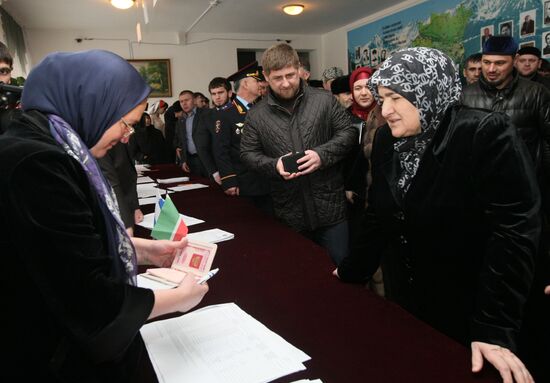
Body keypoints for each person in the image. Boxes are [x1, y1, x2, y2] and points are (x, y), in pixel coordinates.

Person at [335, 47, 542, 383]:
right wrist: (352, 270)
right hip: (410, 299)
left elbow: (514, 233)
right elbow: (381, 213)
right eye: (382, 97)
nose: (385, 110)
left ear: (428, 91)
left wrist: (493, 327)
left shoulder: (485, 133)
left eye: (396, 98)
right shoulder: (388, 138)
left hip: (471, 306)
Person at [0, 50, 209, 381]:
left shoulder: (56, 145)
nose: (128, 137)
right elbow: (87, 299)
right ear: (92, 105)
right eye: (126, 124)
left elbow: (65, 244)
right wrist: (176, 300)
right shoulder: (38, 165)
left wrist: (142, 249)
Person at [240, 43, 357, 265]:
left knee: (341, 270)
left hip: (331, 209)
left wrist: (321, 155)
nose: (285, 83)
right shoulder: (256, 115)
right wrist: (274, 165)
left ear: (299, 70)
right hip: (289, 212)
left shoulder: (324, 100)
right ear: (265, 76)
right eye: (277, 78)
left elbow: (348, 133)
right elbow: (247, 153)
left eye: (290, 75)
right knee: (302, 274)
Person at [214, 62, 271, 214]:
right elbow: (221, 151)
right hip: (244, 182)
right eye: (257, 81)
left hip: (266, 179)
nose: (261, 84)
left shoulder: (262, 109)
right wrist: (229, 179)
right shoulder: (227, 114)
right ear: (245, 83)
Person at [174, 90, 208, 176]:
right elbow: (182, 142)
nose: (184, 103)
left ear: (194, 100)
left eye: (187, 100)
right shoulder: (181, 120)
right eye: (181, 101)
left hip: (206, 159)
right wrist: (183, 160)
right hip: (190, 161)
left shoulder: (205, 114)